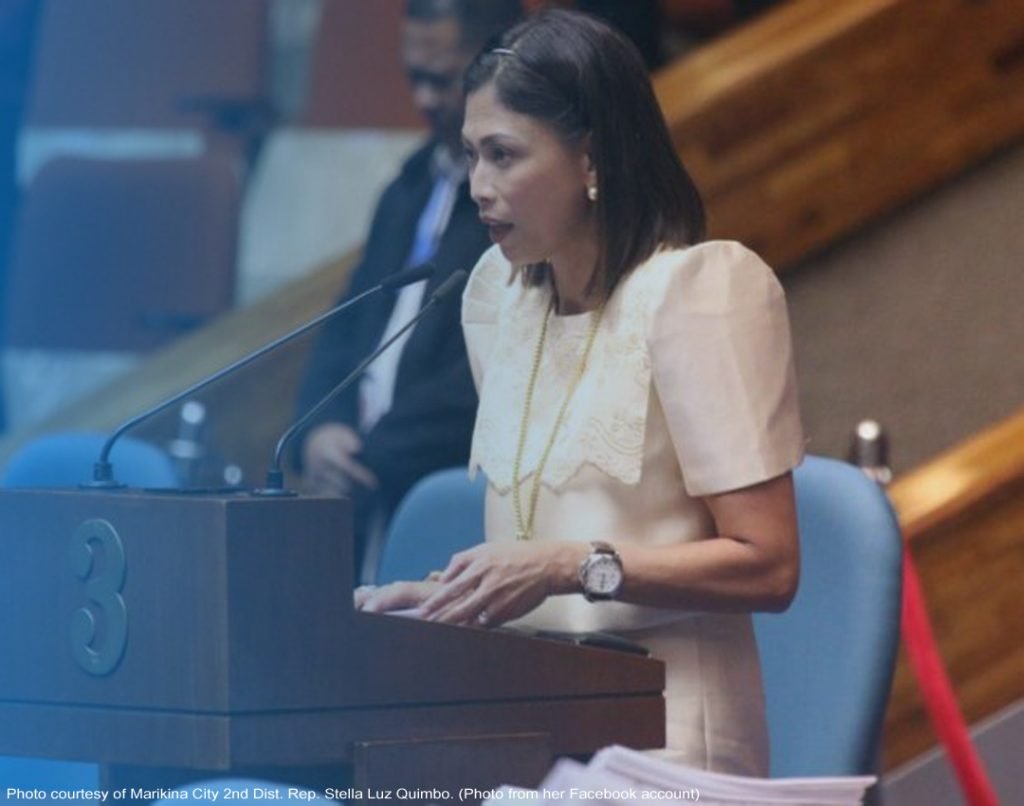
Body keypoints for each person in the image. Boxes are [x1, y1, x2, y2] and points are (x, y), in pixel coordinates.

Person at [356, 9, 804, 776]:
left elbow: (770, 566)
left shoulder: (700, 292)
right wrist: (439, 596)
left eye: (504, 155)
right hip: (530, 717)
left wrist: (572, 566)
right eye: (471, 155)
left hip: (667, 732)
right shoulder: (499, 299)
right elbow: (541, 537)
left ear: (591, 157)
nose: (479, 188)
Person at [294, 0, 523, 579]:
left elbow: (499, 369)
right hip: (367, 487)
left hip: (453, 502)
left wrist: (367, 455)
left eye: (440, 79)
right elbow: (346, 325)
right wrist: (319, 429)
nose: (422, 98)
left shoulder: (521, 200)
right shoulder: (410, 184)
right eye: (413, 77)